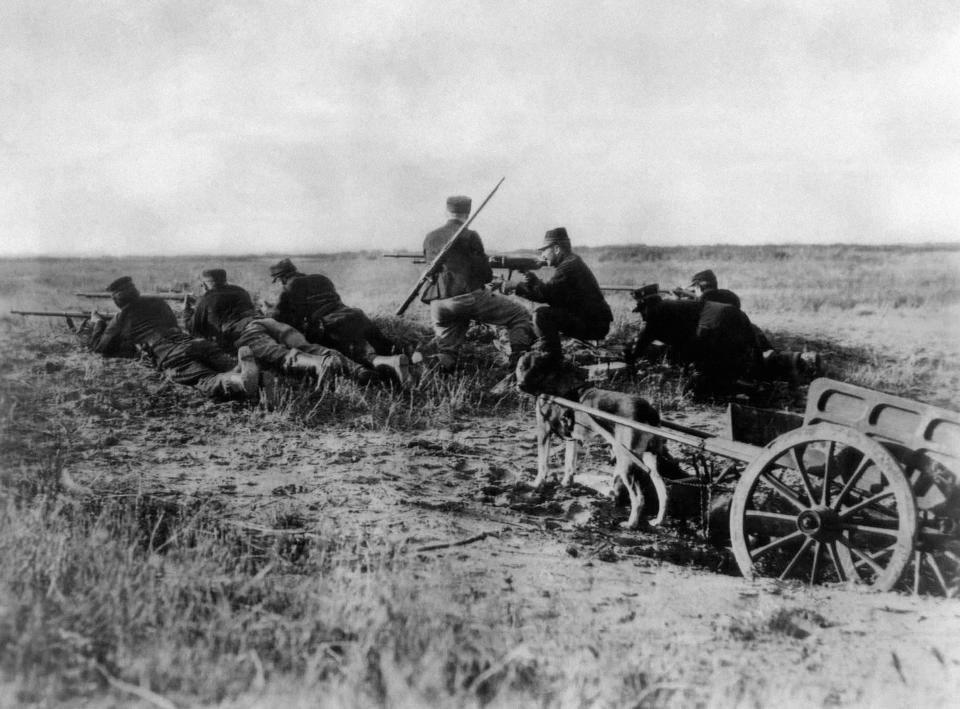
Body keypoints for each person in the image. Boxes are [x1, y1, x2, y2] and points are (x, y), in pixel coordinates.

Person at [188, 268, 401, 387]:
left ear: (206, 284)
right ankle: (358, 370)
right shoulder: (239, 291)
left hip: (247, 331)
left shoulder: (205, 301)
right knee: (310, 347)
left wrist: (190, 311)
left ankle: (321, 366)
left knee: (281, 356)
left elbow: (196, 333)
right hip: (270, 323)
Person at [87, 276, 262, 401]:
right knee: (226, 363)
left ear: (117, 300)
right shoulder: (158, 303)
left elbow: (100, 347)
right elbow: (173, 324)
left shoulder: (121, 318)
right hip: (195, 343)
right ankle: (242, 369)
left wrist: (98, 323)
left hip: (172, 356)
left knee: (205, 380)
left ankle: (237, 380)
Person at [420, 195, 534, 371]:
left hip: (438, 303)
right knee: (519, 314)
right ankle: (519, 367)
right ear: (468, 212)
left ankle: (424, 368)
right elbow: (485, 274)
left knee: (448, 351)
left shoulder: (430, 237)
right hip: (466, 298)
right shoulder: (470, 236)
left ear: (446, 212)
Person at [267, 259, 410, 383]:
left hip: (332, 324)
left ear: (281, 278)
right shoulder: (321, 278)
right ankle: (407, 362)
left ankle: (387, 365)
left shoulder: (289, 288)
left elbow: (281, 319)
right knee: (384, 345)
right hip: (356, 315)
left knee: (355, 355)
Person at [627, 284, 761, 398]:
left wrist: (630, 357)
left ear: (645, 305)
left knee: (693, 392)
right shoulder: (676, 306)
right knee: (725, 364)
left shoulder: (654, 311)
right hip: (735, 315)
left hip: (712, 325)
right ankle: (752, 384)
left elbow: (643, 340)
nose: (642, 316)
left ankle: (745, 388)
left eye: (641, 311)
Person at [510, 227, 612, 363]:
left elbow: (545, 295)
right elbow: (554, 294)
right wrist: (533, 280)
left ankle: (552, 359)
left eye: (545, 250)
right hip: (595, 321)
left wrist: (515, 286)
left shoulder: (569, 267)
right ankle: (550, 354)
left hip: (593, 325)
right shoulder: (572, 262)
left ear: (557, 249)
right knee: (543, 315)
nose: (543, 256)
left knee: (541, 315)